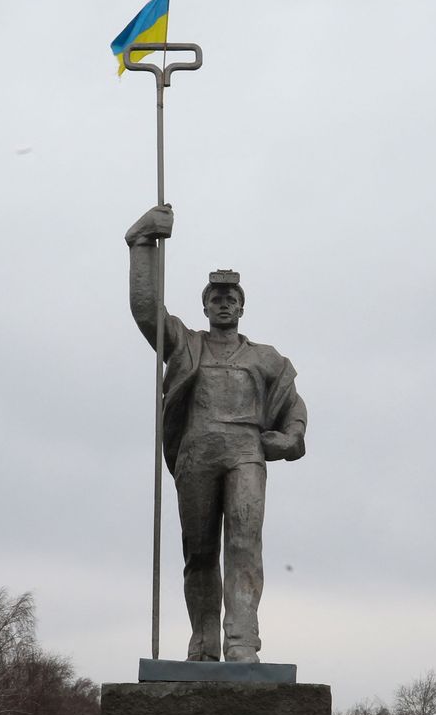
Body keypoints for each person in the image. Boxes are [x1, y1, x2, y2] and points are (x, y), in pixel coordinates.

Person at [125, 204, 307, 663]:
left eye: (231, 298)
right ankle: (204, 642)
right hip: (198, 452)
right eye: (215, 298)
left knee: (245, 543)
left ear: (242, 307)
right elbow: (147, 310)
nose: (223, 303)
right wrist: (142, 244)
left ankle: (242, 641)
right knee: (201, 552)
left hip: (246, 451)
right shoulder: (187, 345)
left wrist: (288, 439)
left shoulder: (266, 359)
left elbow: (294, 411)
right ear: (204, 306)